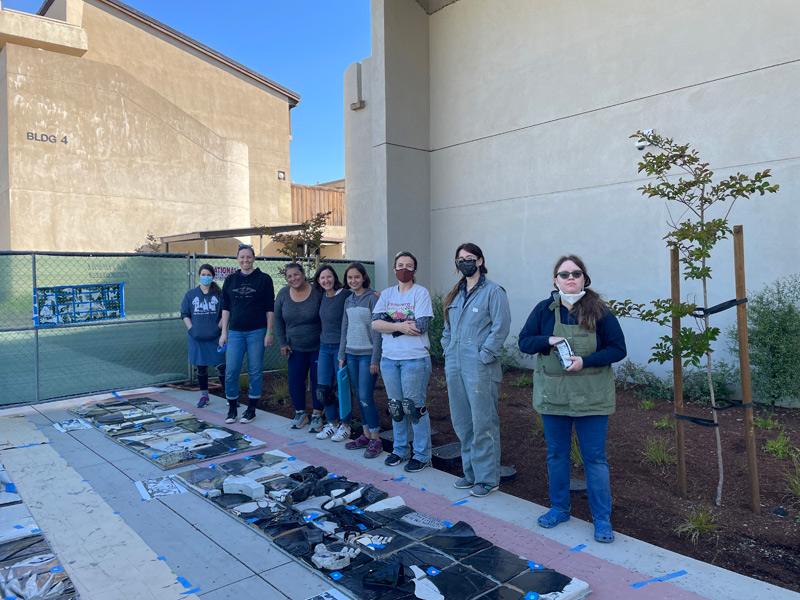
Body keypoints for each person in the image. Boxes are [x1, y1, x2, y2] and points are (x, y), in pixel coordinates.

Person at [518, 254, 627, 543]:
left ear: (584, 279)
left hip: (592, 398)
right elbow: (524, 341)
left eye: (576, 273)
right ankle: (559, 508)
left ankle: (602, 519)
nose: (570, 278)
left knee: (595, 459)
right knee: (556, 455)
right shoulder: (544, 310)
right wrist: (548, 339)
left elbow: (618, 349)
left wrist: (587, 361)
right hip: (554, 396)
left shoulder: (600, 311)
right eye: (564, 274)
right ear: (555, 280)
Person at [441, 243, 511, 497]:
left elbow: (501, 326)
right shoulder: (455, 294)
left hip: (480, 367)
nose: (465, 262)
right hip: (455, 364)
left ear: (480, 261)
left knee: (483, 423)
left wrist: (485, 355)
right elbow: (448, 328)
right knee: (462, 422)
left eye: (470, 258)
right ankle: (470, 473)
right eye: (460, 259)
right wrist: (448, 348)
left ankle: (488, 478)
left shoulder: (493, 292)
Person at [372, 251, 434, 473]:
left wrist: (390, 322)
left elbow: (421, 326)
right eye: (400, 265)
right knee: (396, 408)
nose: (404, 269)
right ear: (394, 268)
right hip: (389, 359)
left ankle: (422, 455)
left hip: (415, 360)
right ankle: (400, 450)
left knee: (414, 408)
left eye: (409, 266)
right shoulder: (387, 294)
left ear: (415, 270)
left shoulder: (421, 293)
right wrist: (400, 326)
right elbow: (375, 323)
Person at [219, 244, 275, 424]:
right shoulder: (230, 280)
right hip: (235, 332)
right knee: (231, 370)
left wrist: (269, 332)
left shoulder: (264, 279)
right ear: (237, 259)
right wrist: (223, 333)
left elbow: (270, 309)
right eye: (242, 257)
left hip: (257, 332)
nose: (245, 260)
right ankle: (232, 407)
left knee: (255, 370)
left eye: (249, 257)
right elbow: (226, 309)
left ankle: (251, 409)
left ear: (253, 258)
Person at [339, 263, 383, 458]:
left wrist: (375, 359)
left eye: (357, 277)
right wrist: (342, 355)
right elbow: (344, 329)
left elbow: (378, 331)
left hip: (367, 356)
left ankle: (376, 439)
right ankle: (365, 435)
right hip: (351, 354)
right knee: (358, 395)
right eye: (350, 278)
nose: (353, 281)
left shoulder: (373, 298)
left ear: (364, 277)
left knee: (366, 397)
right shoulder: (348, 300)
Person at [274, 263, 324, 432]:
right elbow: (278, 321)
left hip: (318, 346)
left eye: (296, 275)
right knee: (295, 381)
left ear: (303, 274)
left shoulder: (317, 292)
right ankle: (301, 413)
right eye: (289, 276)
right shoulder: (282, 294)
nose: (293, 279)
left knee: (319, 381)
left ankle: (317, 414)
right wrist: (282, 342)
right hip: (295, 347)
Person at [313, 265, 353, 442]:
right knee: (323, 389)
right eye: (322, 278)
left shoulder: (345, 295)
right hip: (324, 347)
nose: (326, 280)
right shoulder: (321, 296)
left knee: (341, 389)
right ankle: (332, 423)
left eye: (328, 277)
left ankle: (345, 426)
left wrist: (376, 295)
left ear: (334, 278)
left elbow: (362, 294)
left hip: (340, 347)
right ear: (318, 281)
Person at [180, 264, 227, 408]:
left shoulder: (219, 294)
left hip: (215, 337)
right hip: (197, 338)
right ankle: (204, 396)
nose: (205, 277)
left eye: (208, 275)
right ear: (199, 276)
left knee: (221, 367)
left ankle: (229, 396)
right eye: (203, 274)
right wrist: (191, 329)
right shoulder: (191, 294)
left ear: (213, 277)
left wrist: (217, 329)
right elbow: (184, 314)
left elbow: (225, 314)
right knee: (201, 367)